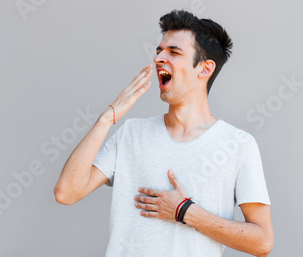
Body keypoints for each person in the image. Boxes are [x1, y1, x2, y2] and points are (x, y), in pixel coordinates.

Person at [54, 10, 273, 257]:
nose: (159, 58)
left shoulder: (237, 145)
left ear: (204, 69)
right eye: (159, 51)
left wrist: (185, 212)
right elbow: (66, 192)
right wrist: (107, 118)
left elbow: (263, 242)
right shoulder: (131, 134)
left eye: (174, 52)